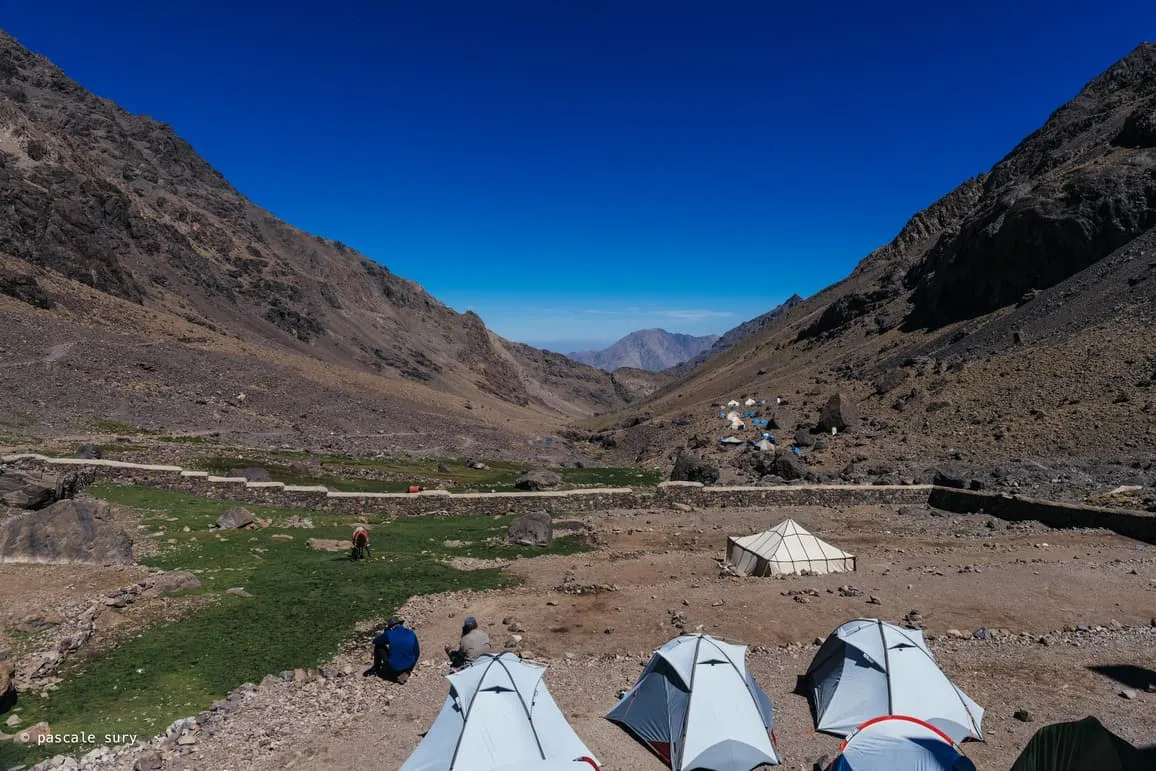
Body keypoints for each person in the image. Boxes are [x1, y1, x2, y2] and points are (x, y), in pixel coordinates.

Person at [364, 616, 419, 683]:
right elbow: (417, 652)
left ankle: (377, 669)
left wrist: (385, 634)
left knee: (378, 646)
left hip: (395, 667)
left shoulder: (389, 634)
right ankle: (407, 671)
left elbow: (375, 641)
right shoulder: (411, 633)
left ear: (391, 627)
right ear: (400, 625)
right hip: (410, 664)